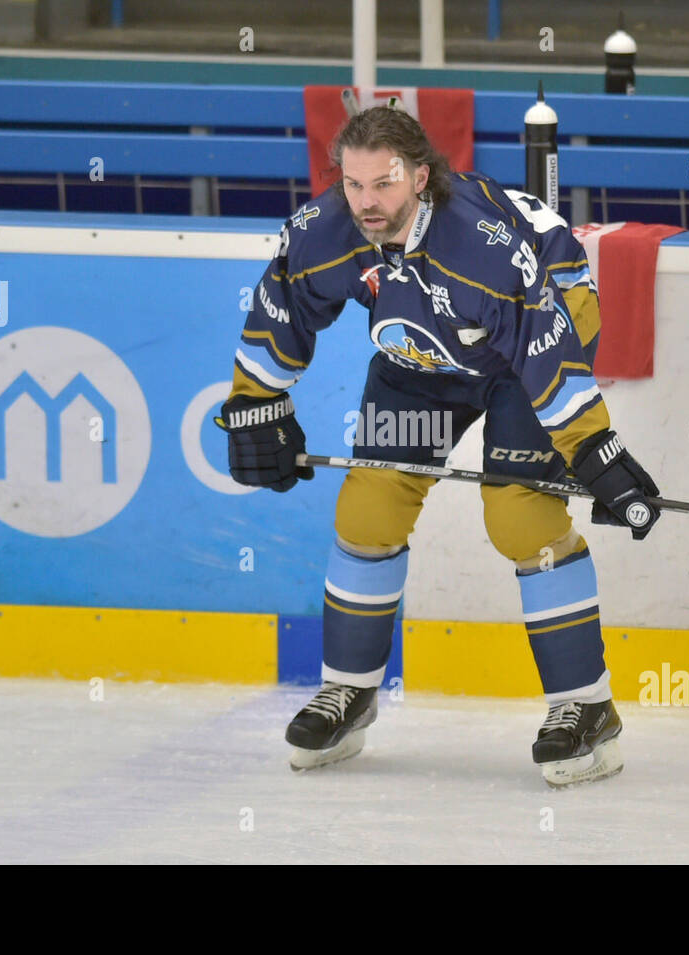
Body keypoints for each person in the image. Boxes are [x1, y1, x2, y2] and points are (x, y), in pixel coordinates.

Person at [216, 104, 661, 787]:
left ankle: (586, 706)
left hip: (530, 347)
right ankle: (351, 691)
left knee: (521, 518)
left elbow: (542, 347)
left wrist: (593, 448)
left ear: (421, 176)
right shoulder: (327, 226)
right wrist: (255, 401)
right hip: (419, 359)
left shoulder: (479, 246)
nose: (366, 202)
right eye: (354, 183)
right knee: (368, 513)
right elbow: (285, 302)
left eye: (384, 184)